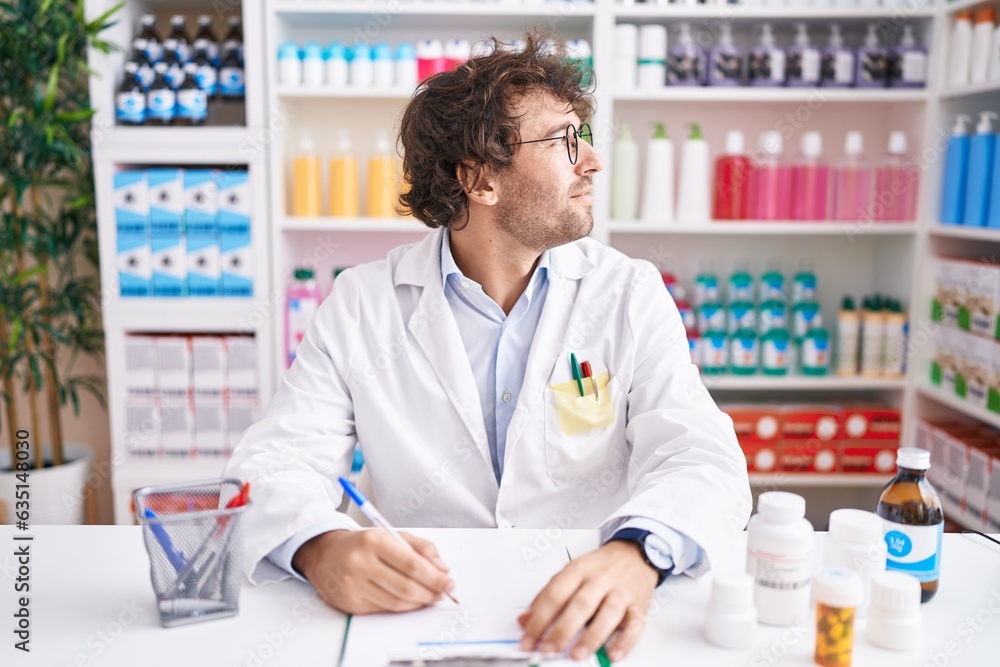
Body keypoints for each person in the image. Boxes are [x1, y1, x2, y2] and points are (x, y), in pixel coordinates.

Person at [224, 31, 750, 662]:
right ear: (479, 180)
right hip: (419, 617)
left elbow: (703, 458)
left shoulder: (628, 293)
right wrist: (317, 546)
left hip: (582, 620)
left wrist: (639, 552)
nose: (593, 162)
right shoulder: (362, 304)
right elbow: (272, 462)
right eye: (563, 141)